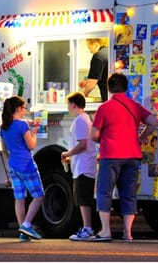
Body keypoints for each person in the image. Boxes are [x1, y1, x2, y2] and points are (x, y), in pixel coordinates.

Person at [90, 73, 158, 241]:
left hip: (110, 154)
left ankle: (106, 230)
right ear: (126, 87)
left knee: (104, 191)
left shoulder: (104, 108)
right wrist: (140, 137)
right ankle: (128, 232)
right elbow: (153, 122)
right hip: (132, 155)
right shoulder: (134, 106)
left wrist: (102, 138)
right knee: (128, 193)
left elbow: (94, 135)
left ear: (109, 88)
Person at [0, 96, 45, 241]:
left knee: (19, 198)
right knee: (39, 195)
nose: (25, 111)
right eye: (24, 108)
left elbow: (4, 150)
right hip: (27, 165)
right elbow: (31, 146)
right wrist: (35, 132)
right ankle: (26, 225)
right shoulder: (22, 125)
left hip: (13, 166)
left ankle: (22, 233)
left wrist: (11, 161)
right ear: (18, 108)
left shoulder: (4, 127)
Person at [61, 92, 98, 241]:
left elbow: (83, 144)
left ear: (74, 105)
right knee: (84, 198)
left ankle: (87, 228)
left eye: (68, 105)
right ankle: (87, 227)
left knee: (83, 199)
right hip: (83, 164)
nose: (68, 108)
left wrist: (68, 153)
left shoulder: (80, 121)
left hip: (83, 166)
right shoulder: (85, 119)